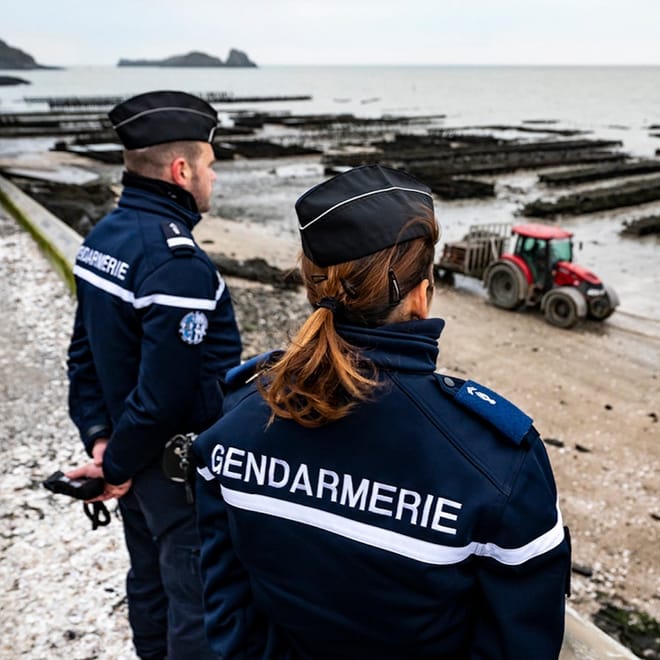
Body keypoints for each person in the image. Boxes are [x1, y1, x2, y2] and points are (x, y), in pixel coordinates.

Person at [192, 164, 572, 659]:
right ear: (421, 292)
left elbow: (227, 608)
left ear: (313, 286)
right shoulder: (496, 463)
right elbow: (520, 646)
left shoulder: (234, 422)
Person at [66, 90, 242, 660]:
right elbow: (166, 393)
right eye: (210, 166)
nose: (213, 179)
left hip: (131, 456)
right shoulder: (176, 263)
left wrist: (101, 441)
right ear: (181, 168)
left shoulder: (103, 238)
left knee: (148, 585)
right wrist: (114, 466)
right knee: (194, 600)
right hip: (173, 471)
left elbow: (83, 356)